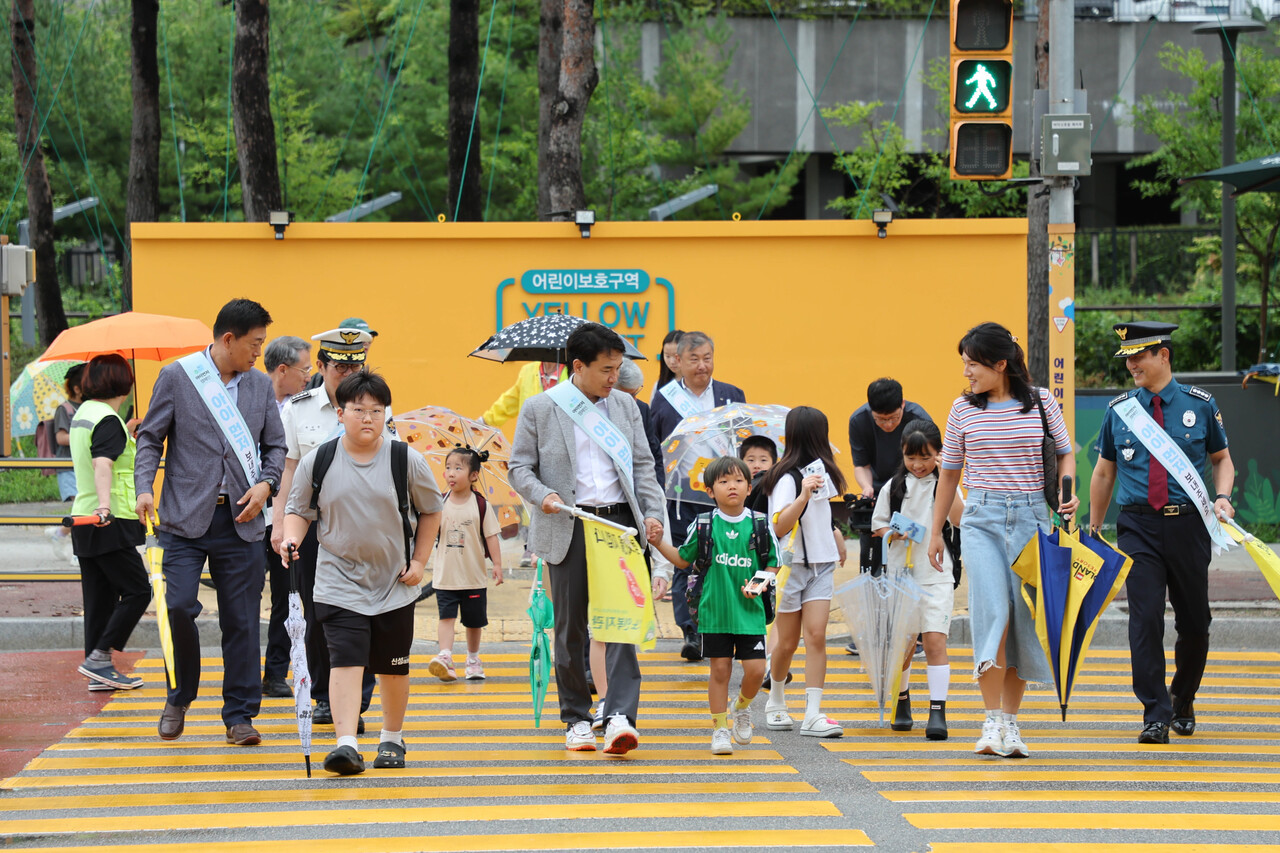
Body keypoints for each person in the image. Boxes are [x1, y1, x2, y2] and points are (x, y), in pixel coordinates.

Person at [134, 298, 287, 746]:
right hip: (182, 519)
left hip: (241, 519)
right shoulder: (178, 377)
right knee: (177, 605)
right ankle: (179, 696)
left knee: (241, 620)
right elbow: (150, 438)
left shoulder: (259, 386)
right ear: (228, 339)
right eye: (254, 344)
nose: (258, 353)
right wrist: (145, 486)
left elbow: (275, 447)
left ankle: (239, 716)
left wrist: (266, 484)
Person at [509, 322, 666, 755]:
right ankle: (576, 718)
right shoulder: (541, 408)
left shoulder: (626, 408)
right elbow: (519, 468)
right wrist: (544, 496)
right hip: (568, 523)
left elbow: (642, 468)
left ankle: (619, 716)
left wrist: (652, 515)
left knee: (621, 622)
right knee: (571, 629)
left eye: (618, 368)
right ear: (577, 366)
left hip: (617, 524)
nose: (614, 377)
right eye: (606, 369)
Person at [927, 321, 1078, 759]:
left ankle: (1010, 724)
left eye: (972, 364)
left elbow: (1065, 452)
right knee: (992, 612)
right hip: (982, 519)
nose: (966, 373)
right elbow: (950, 473)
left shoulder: (1042, 403)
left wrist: (1068, 492)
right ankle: (990, 719)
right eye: (964, 364)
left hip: (1033, 518)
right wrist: (938, 531)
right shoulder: (962, 410)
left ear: (1001, 363)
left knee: (1023, 620)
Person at [282, 371, 443, 775]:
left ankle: (391, 738)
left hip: (394, 583)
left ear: (385, 414)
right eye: (358, 410)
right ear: (341, 413)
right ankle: (346, 744)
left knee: (392, 666)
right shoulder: (318, 460)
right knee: (345, 661)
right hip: (337, 580)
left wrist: (420, 562)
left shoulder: (405, 459)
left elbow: (431, 510)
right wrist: (291, 539)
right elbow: (298, 511)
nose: (367, 418)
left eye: (376, 410)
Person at [1088, 321, 1234, 745]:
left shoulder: (1200, 405)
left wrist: (1222, 496)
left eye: (1139, 356)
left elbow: (1223, 460)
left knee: (1195, 623)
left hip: (1189, 524)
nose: (1131, 365)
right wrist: (1095, 529)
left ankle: (1182, 698)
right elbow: (1103, 471)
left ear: (1163, 356)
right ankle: (1155, 712)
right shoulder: (1120, 411)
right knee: (1145, 617)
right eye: (1127, 358)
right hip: (1139, 527)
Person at [272, 327, 391, 729]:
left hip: (362, 531)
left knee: (366, 615)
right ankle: (324, 696)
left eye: (355, 364)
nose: (348, 372)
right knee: (320, 615)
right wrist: (280, 527)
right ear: (321, 366)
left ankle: (355, 701)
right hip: (311, 529)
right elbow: (288, 471)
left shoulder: (376, 409)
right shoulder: (298, 409)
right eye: (340, 366)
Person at [649, 456, 778, 755]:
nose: (731, 486)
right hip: (714, 612)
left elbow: (773, 563)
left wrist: (758, 585)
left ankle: (742, 707)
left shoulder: (760, 524)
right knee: (719, 671)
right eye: (723, 482)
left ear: (749, 487)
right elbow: (683, 558)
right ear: (710, 491)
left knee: (757, 671)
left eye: (738, 481)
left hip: (750, 614)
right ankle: (720, 728)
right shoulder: (704, 524)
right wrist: (657, 544)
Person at [649, 330, 747, 661]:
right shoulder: (665, 398)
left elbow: (745, 440)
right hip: (680, 497)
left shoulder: (732, 395)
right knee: (685, 562)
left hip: (722, 494)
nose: (702, 366)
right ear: (679, 361)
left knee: (724, 560)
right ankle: (691, 629)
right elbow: (655, 446)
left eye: (707, 358)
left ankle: (722, 623)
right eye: (694, 359)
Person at [760, 406, 848, 738]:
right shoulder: (786, 477)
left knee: (816, 636)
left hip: (821, 565)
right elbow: (780, 525)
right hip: (790, 567)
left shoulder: (823, 472)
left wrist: (836, 537)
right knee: (785, 642)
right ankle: (776, 701)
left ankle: (812, 714)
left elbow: (823, 517)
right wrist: (803, 494)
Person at [872, 420, 962, 740]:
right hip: (901, 574)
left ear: (939, 454)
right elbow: (878, 525)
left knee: (935, 640)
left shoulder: (946, 484)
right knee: (904, 645)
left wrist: (949, 474)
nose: (918, 465)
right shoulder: (894, 487)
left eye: (926, 457)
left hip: (936, 573)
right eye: (912, 457)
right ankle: (902, 699)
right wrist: (890, 533)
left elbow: (959, 518)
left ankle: (937, 710)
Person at [69, 355, 151, 693]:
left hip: (84, 517)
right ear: (124, 383)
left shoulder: (85, 414)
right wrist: (105, 507)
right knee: (137, 590)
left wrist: (127, 432)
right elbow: (103, 463)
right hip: (108, 519)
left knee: (100, 598)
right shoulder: (107, 419)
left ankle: (97, 668)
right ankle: (101, 657)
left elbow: (99, 455)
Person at [260, 336, 313, 699]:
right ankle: (248, 672)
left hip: (286, 518)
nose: (308, 376)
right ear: (283, 370)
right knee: (246, 600)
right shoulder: (247, 400)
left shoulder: (304, 408)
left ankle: (275, 672)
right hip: (249, 516)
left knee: (287, 596)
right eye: (303, 369)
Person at [429, 446, 504, 682]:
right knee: (446, 618)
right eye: (448, 468)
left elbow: (491, 536)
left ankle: (473, 659)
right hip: (446, 577)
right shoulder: (439, 503)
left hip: (473, 577)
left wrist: (498, 566)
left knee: (474, 622)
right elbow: (429, 533)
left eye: (458, 468)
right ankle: (445, 656)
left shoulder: (480, 505)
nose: (451, 473)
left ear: (473, 476)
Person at [849, 378, 932, 574]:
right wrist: (866, 488)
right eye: (880, 419)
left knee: (913, 548)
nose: (887, 424)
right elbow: (861, 465)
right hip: (878, 491)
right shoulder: (859, 420)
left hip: (914, 487)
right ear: (871, 410)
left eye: (893, 418)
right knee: (873, 556)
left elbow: (931, 461)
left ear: (902, 404)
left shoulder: (919, 419)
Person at [305, 316, 377, 390]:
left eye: (355, 366)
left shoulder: (371, 386)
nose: (366, 343)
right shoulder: (319, 380)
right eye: (341, 366)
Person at [53, 363, 87, 501]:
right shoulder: (64, 409)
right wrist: (85, 435)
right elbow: (61, 438)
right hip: (68, 466)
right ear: (77, 389)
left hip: (84, 465)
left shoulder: (88, 407)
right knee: (76, 509)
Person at [647, 329, 685, 404]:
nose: (672, 362)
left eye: (676, 356)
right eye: (667, 356)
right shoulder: (659, 385)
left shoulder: (698, 384)